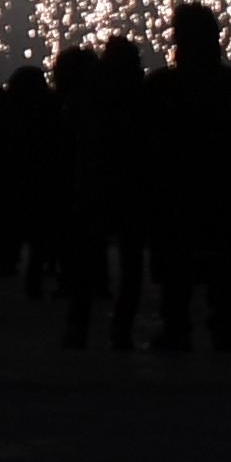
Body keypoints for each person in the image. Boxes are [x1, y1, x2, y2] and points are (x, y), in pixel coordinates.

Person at [147, 2, 231, 353]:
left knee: (178, 270)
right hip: (221, 191)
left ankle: (180, 329)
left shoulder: (164, 87)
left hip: (180, 193)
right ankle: (219, 331)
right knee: (221, 272)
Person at [53, 38, 152, 350]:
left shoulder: (87, 95)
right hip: (130, 186)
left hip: (93, 183)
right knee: (130, 262)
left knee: (85, 259)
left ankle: (78, 325)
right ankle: (120, 328)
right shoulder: (141, 96)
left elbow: (70, 136)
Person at [0, 62, 56, 296]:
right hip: (35, 177)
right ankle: (31, 280)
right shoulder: (47, 112)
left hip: (4, 178)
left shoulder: (2, 111)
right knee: (37, 231)